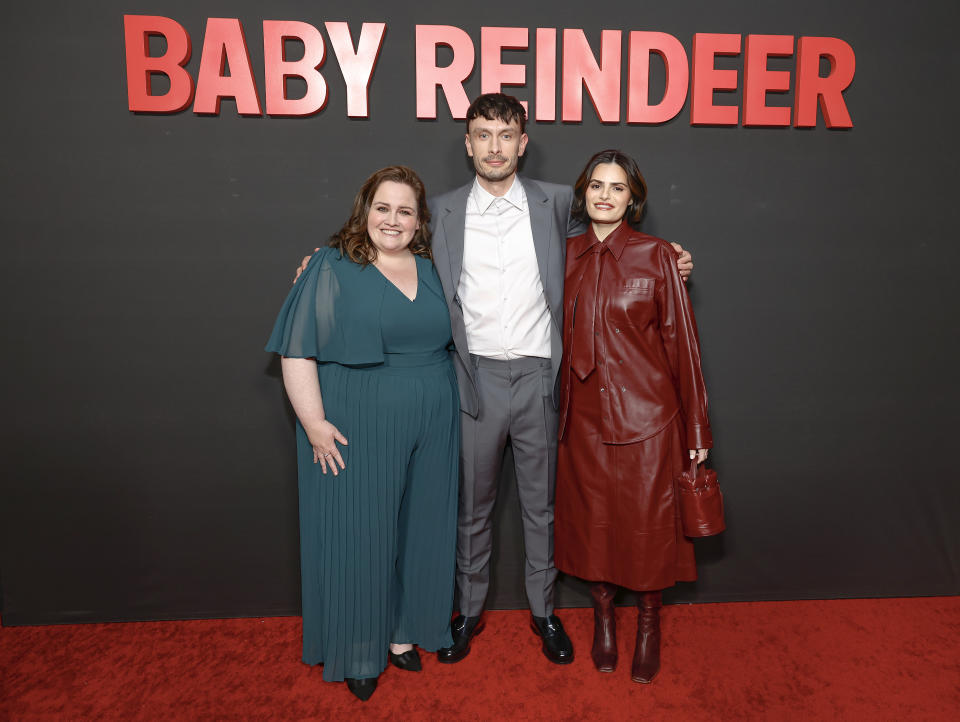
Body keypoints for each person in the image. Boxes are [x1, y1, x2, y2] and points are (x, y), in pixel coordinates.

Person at [295, 94, 694, 666]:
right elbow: (384, 241)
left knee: (543, 509)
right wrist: (325, 257)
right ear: (468, 143)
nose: (494, 147)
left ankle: (544, 612)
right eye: (483, 135)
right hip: (471, 379)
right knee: (472, 509)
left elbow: (614, 233)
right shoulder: (439, 211)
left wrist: (670, 257)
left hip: (540, 380)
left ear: (522, 143)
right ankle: (468, 612)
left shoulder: (559, 202)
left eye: (505, 136)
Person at [266, 166, 460, 701]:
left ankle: (402, 632)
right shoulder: (331, 265)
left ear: (420, 221)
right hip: (356, 420)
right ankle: (358, 646)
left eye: (405, 210)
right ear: (364, 210)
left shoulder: (435, 266)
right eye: (383, 207)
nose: (392, 220)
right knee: (360, 533)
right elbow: (297, 348)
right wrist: (313, 424)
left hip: (434, 417)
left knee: (418, 528)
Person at [554, 149, 713, 684]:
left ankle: (648, 623)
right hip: (581, 420)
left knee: (647, 530)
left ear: (633, 198)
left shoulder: (658, 255)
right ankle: (603, 619)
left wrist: (697, 427)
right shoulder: (562, 253)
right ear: (584, 193)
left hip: (648, 419)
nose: (604, 195)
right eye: (596, 185)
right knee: (594, 527)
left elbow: (683, 346)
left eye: (616, 187)